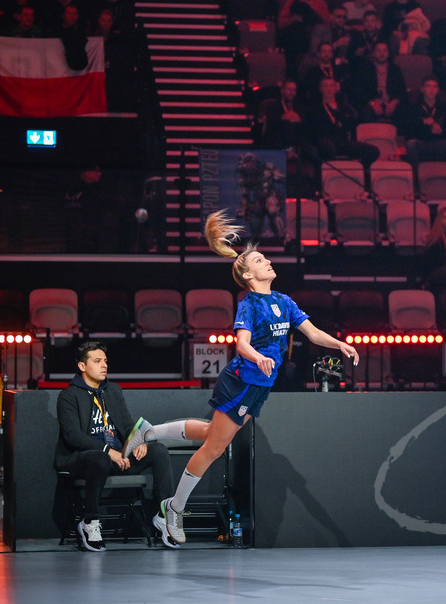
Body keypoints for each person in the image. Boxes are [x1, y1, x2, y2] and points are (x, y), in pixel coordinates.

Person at [121, 211, 359, 544]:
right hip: (242, 382)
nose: (269, 262)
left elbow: (313, 332)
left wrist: (339, 344)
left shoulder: (284, 301)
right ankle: (171, 510)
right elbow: (241, 343)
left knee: (209, 433)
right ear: (248, 274)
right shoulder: (250, 304)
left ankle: (148, 432)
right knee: (214, 448)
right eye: (261, 260)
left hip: (260, 387)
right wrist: (260, 357)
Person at [53, 341, 177, 551]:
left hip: (119, 457)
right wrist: (107, 451)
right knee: (99, 458)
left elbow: (127, 425)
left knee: (159, 450)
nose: (104, 366)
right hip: (83, 459)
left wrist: (141, 442)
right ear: (82, 366)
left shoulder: (113, 391)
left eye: (105, 361)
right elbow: (72, 436)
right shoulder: (68, 396)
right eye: (97, 361)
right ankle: (90, 522)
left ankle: (164, 516)